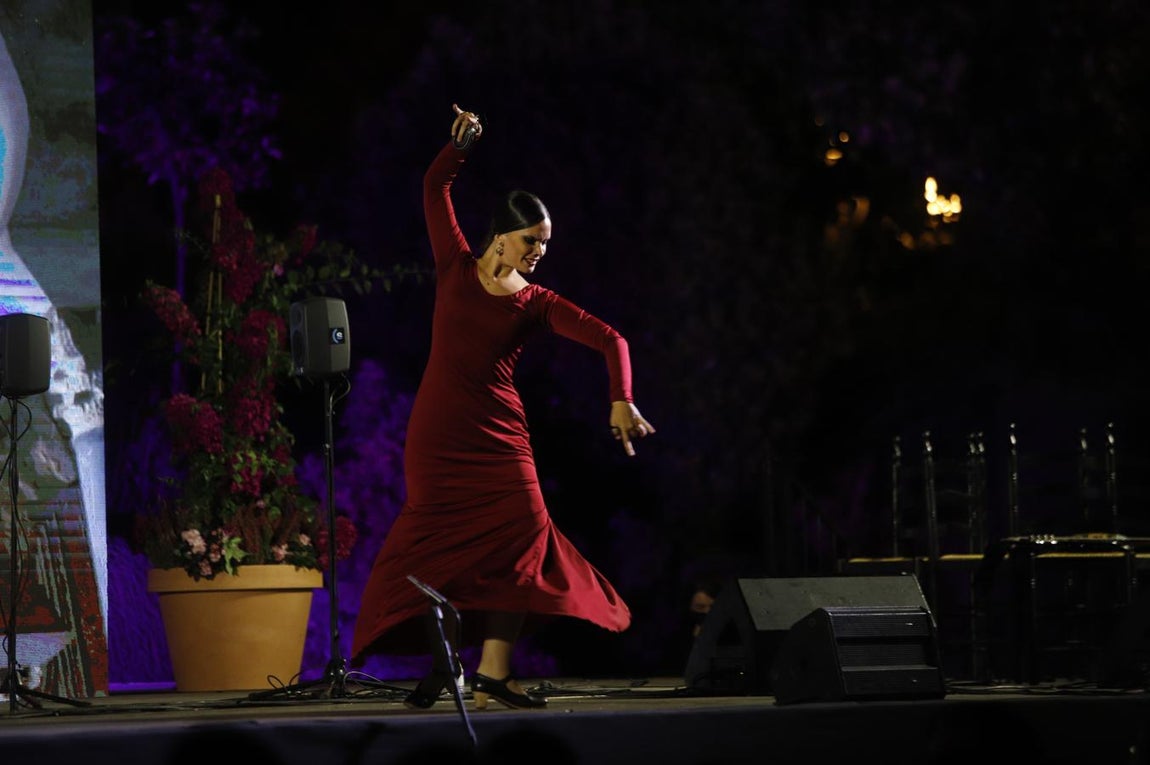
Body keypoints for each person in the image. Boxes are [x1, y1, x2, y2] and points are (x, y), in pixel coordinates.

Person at [351, 104, 656, 710]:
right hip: (438, 434)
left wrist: (621, 397)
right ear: (502, 234)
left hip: (501, 439)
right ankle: (447, 665)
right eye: (532, 240)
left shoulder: (536, 301)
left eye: (545, 243)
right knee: (426, 544)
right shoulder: (454, 266)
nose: (540, 251)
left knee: (526, 540)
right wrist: (460, 145)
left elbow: (610, 338)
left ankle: (493, 674)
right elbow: (434, 186)